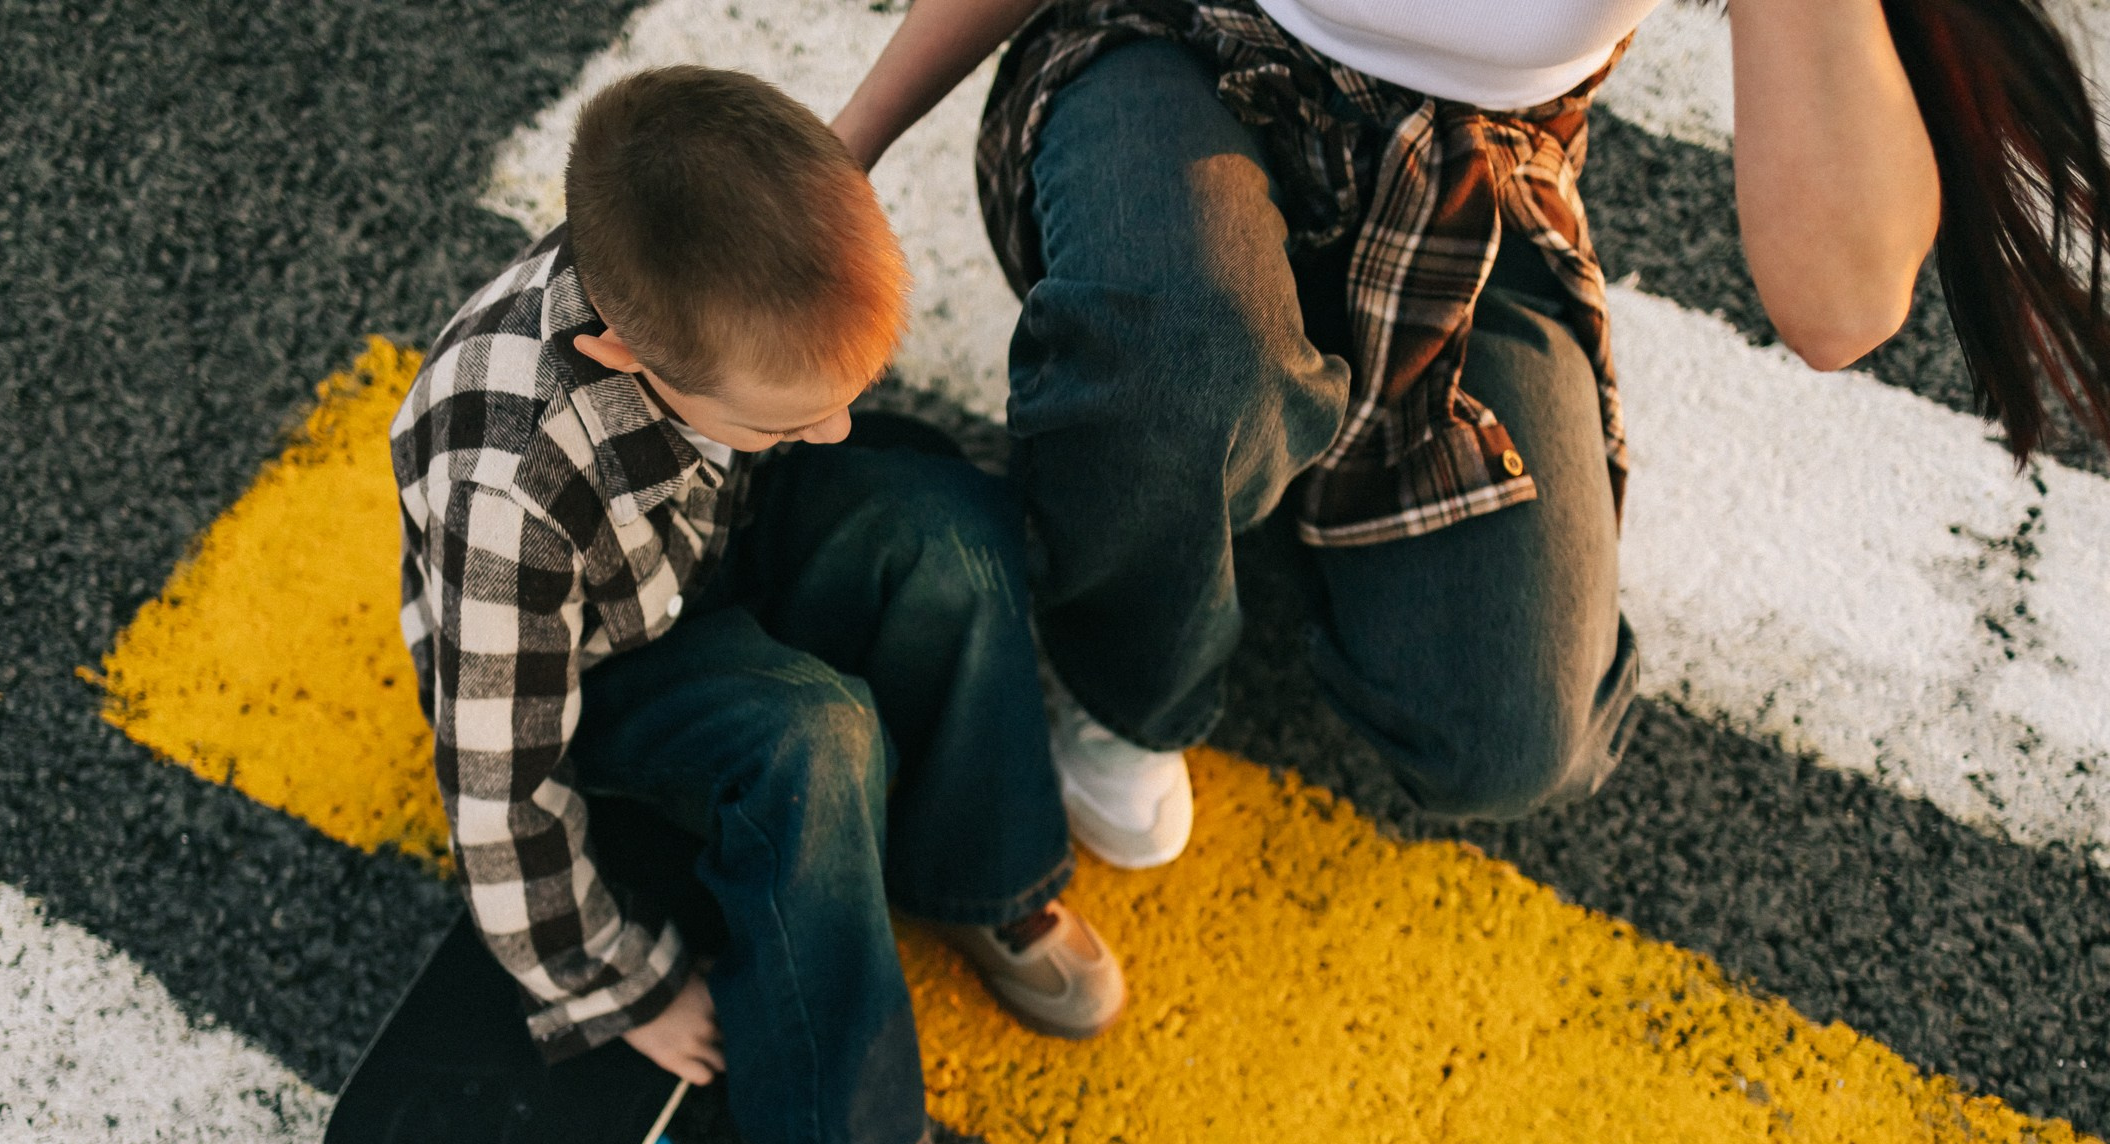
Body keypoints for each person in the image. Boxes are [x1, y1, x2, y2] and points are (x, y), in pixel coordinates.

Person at [829, 0, 2110, 867]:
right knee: (1179, 353)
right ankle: (1131, 670)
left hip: (1464, 169)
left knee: (1505, 740)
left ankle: (1263, 408)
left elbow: (1837, 307)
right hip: (1174, 51)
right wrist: (846, 147)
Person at [391, 66, 1127, 1144]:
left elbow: (818, 437)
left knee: (945, 523)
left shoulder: (724, 290)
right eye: (796, 419)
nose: (835, 429)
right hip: (611, 674)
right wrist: (618, 985)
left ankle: (979, 874)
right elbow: (497, 785)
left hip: (711, 544)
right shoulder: (511, 489)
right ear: (621, 354)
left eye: (844, 398)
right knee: (809, 738)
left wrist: (786, 440)